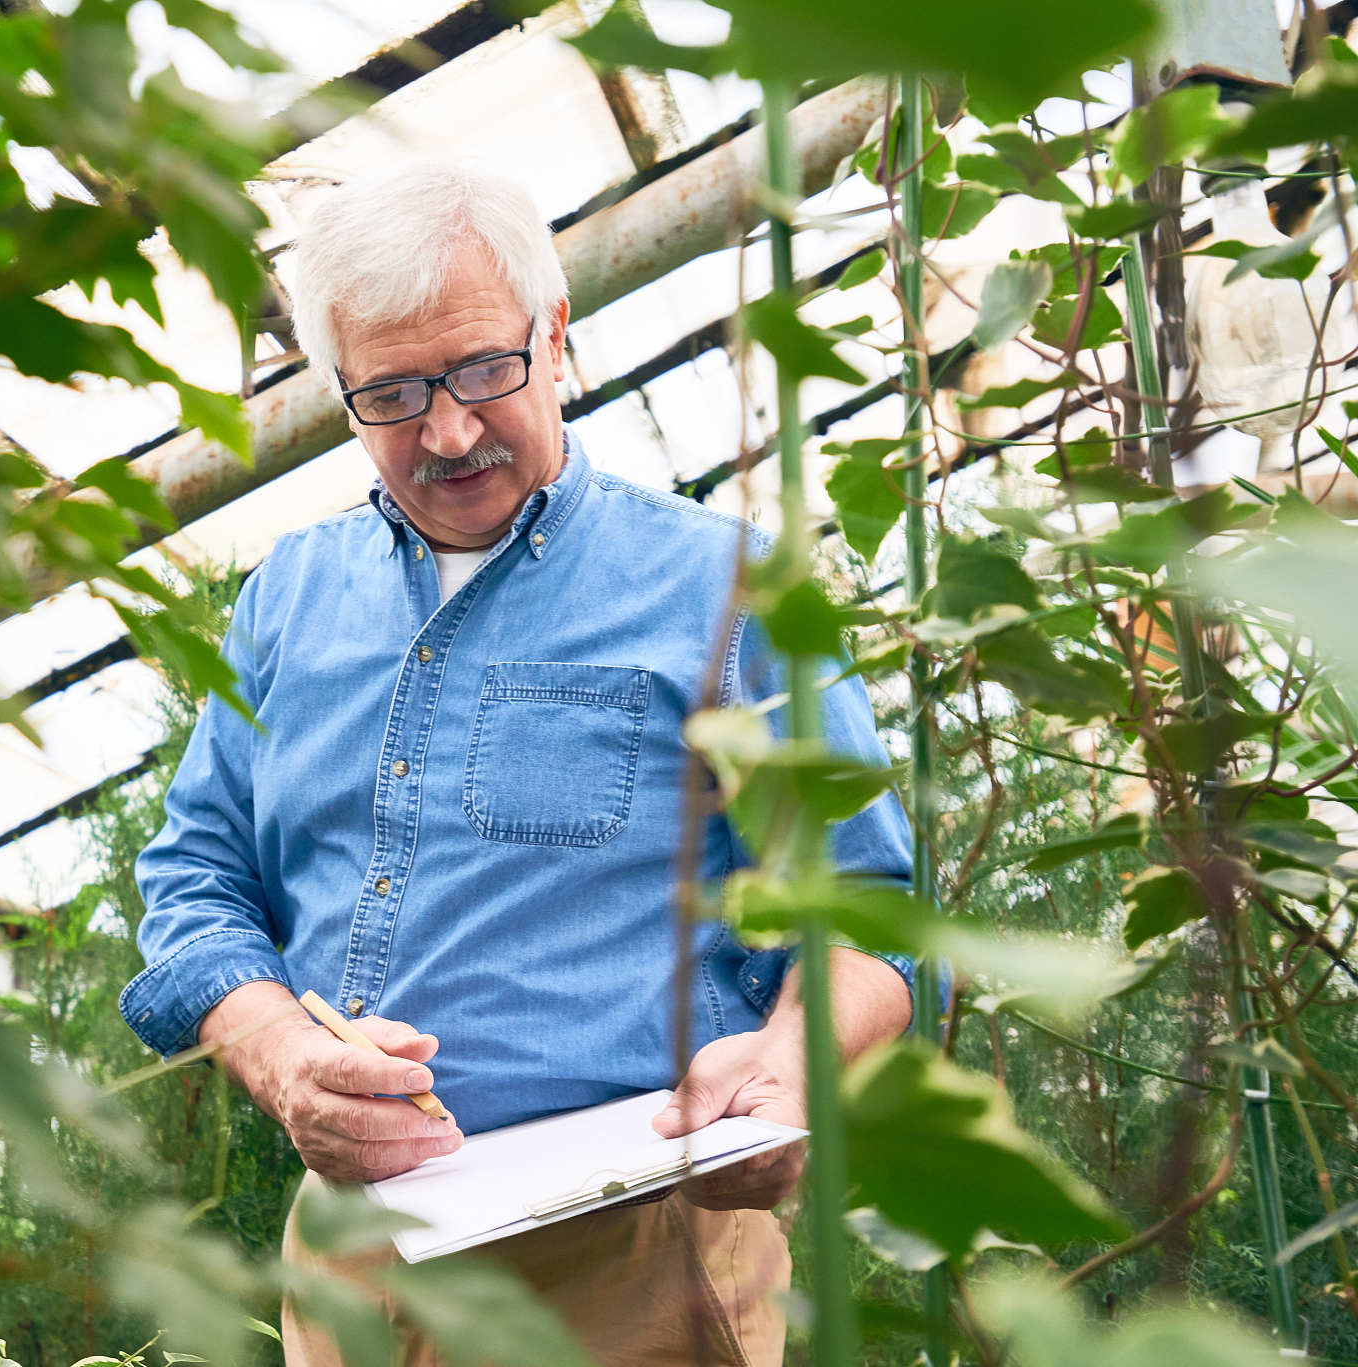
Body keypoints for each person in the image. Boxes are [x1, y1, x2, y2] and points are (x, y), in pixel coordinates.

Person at [118, 160, 914, 1367]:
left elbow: (865, 912)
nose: (445, 430)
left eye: (482, 370)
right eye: (389, 393)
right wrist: (286, 1063)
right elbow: (194, 886)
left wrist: (790, 1061)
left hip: (630, 1259)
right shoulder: (284, 597)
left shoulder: (727, 588)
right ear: (338, 393)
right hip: (347, 1262)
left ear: (554, 334)